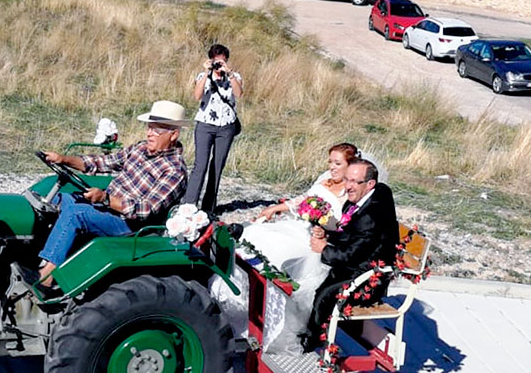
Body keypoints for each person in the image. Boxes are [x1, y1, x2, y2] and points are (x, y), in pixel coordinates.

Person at [36, 100, 190, 289]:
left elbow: (145, 210)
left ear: (173, 135)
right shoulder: (139, 149)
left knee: (75, 214)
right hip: (108, 207)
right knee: (61, 199)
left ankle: (47, 275)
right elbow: (102, 162)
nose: (149, 133)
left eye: (157, 130)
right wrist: (64, 159)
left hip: (128, 224)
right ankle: (43, 254)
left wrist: (106, 199)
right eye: (149, 127)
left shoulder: (174, 170)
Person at [232, 143, 358, 353]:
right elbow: (302, 201)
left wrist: (324, 230)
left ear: (350, 166)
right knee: (253, 236)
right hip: (296, 226)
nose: (332, 167)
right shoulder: (324, 179)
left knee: (276, 253)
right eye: (330, 162)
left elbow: (344, 226)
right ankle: (243, 305)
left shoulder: (348, 193)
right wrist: (275, 208)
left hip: (314, 239)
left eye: (338, 163)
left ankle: (267, 319)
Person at [300, 158, 399, 353]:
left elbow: (351, 255)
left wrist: (324, 249)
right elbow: (350, 236)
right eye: (347, 180)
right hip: (355, 263)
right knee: (303, 273)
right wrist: (327, 236)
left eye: (355, 182)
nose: (348, 186)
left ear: (370, 184)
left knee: (323, 295)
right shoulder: (363, 198)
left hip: (368, 276)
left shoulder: (371, 216)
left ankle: (311, 343)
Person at [183, 44, 243, 213]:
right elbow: (197, 96)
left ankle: (208, 207)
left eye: (222, 61)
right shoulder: (203, 76)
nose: (219, 65)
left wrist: (229, 74)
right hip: (205, 124)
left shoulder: (234, 77)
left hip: (226, 126)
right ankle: (189, 204)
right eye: (216, 61)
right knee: (200, 165)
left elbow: (239, 94)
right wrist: (208, 73)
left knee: (217, 165)